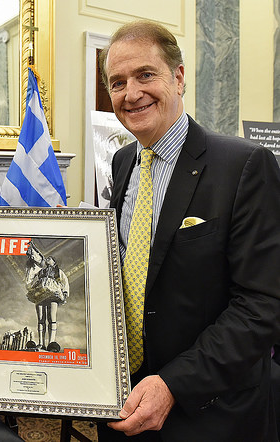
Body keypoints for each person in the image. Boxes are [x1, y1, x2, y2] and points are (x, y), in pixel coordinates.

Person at [98, 20, 280, 441]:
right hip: (125, 406)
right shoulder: (123, 163)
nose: (131, 94)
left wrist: (173, 385)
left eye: (146, 75)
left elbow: (262, 304)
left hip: (210, 414)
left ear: (178, 77)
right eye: (118, 83)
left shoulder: (245, 165)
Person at [25, 242, 69, 351]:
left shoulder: (58, 271)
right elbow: (31, 276)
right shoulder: (41, 271)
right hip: (40, 293)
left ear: (54, 261)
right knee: (41, 319)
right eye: (47, 258)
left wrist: (64, 292)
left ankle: (51, 343)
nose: (47, 259)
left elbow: (65, 282)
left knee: (51, 318)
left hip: (52, 294)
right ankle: (41, 343)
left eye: (50, 258)